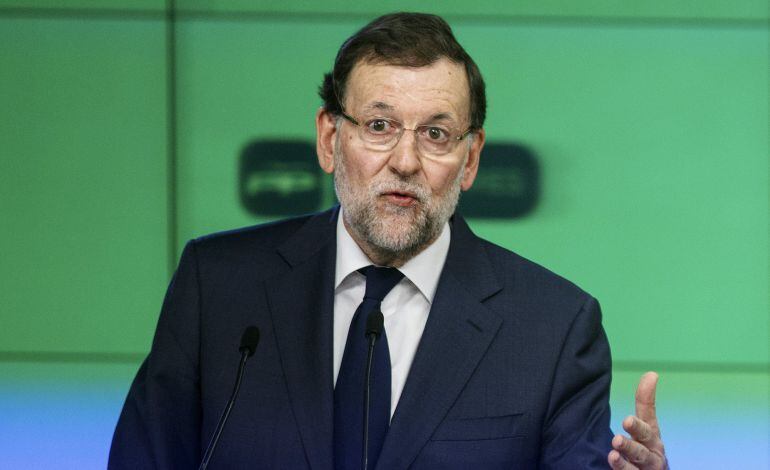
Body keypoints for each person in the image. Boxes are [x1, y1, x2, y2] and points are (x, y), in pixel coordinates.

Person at [110, 12, 668, 470]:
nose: (404, 161)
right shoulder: (219, 286)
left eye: (435, 134)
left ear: (469, 159)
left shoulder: (553, 328)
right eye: (379, 126)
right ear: (330, 139)